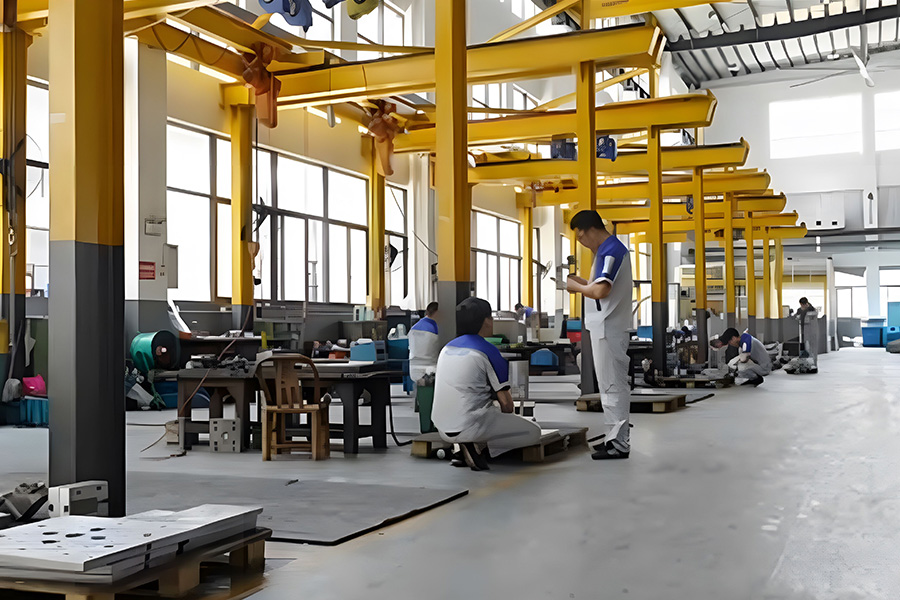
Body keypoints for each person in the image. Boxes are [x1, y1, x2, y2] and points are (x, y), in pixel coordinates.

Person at [431, 297, 542, 471]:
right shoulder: (488, 351)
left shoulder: (446, 349)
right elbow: (507, 406)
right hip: (471, 426)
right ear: (487, 321)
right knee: (533, 432)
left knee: (480, 409)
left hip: (441, 427)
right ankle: (480, 448)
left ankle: (460, 450)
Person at [565, 210, 633, 460]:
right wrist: (582, 283)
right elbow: (598, 287)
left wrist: (576, 286)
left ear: (590, 230)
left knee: (613, 386)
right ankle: (613, 438)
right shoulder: (605, 252)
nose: (582, 242)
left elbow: (601, 290)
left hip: (609, 329)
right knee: (609, 387)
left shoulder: (611, 251)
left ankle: (619, 443)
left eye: (580, 236)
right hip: (605, 328)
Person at [408, 302, 440, 382]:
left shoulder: (413, 329)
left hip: (413, 371)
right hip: (432, 369)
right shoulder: (436, 329)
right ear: (437, 313)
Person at [796, 297, 819, 369]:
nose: (802, 306)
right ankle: (806, 363)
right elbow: (796, 317)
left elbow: (814, 316)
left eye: (803, 305)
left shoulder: (812, 309)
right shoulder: (799, 310)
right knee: (805, 347)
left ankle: (814, 362)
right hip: (803, 331)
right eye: (801, 305)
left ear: (806, 303)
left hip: (812, 330)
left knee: (813, 347)